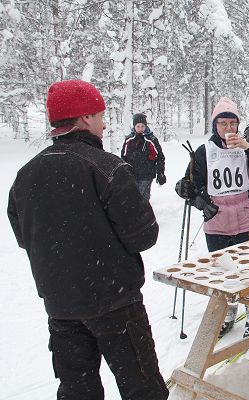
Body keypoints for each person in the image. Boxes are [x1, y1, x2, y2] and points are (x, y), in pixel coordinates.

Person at [7, 79, 168, 400]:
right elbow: (145, 235)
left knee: (77, 392)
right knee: (143, 390)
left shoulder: (26, 175)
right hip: (116, 305)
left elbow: (26, 238)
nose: (104, 123)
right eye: (99, 115)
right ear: (83, 119)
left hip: (61, 307)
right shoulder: (107, 167)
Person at [175, 97, 249, 338]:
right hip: (217, 221)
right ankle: (229, 311)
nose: (229, 128)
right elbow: (191, 183)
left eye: (233, 123)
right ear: (215, 126)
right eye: (223, 123)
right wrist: (193, 196)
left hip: (245, 216)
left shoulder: (246, 148)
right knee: (222, 272)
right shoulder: (204, 151)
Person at [121, 113, 166, 200]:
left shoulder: (151, 140)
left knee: (143, 199)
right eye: (138, 126)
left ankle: (144, 212)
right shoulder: (129, 140)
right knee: (132, 198)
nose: (140, 129)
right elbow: (123, 157)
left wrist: (160, 173)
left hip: (147, 175)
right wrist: (123, 173)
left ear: (146, 126)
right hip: (132, 175)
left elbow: (160, 157)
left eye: (142, 126)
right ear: (134, 126)